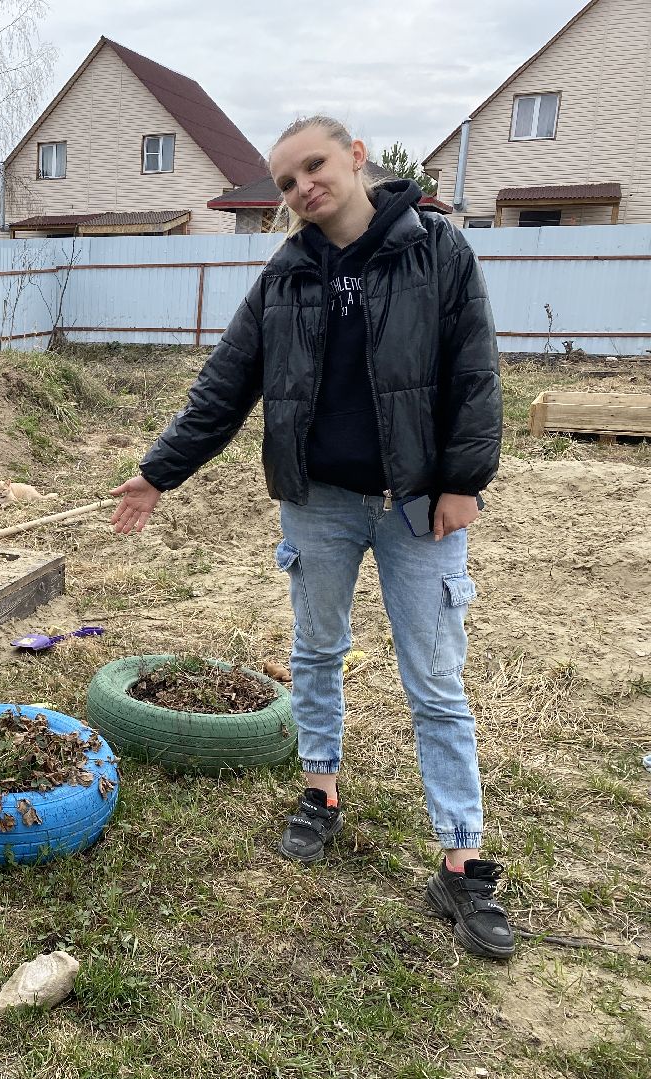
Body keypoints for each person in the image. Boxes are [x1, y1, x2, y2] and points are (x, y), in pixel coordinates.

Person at [109, 116, 514, 960]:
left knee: (436, 682)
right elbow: (224, 386)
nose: (302, 189)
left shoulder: (436, 249)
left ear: (358, 155)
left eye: (314, 167)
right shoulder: (286, 275)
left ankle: (461, 860)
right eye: (287, 182)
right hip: (318, 503)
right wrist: (157, 473)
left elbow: (475, 367)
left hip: (418, 507)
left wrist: (464, 482)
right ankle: (320, 795)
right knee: (318, 653)